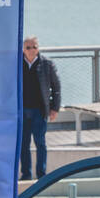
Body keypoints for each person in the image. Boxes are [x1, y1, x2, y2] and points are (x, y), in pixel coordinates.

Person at [21, 36, 61, 180]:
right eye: (28, 47)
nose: (32, 50)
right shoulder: (16, 63)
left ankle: (41, 175)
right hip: (22, 111)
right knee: (23, 144)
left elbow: (56, 88)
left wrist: (55, 108)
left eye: (35, 47)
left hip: (40, 110)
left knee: (40, 143)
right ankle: (26, 174)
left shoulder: (47, 64)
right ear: (23, 49)